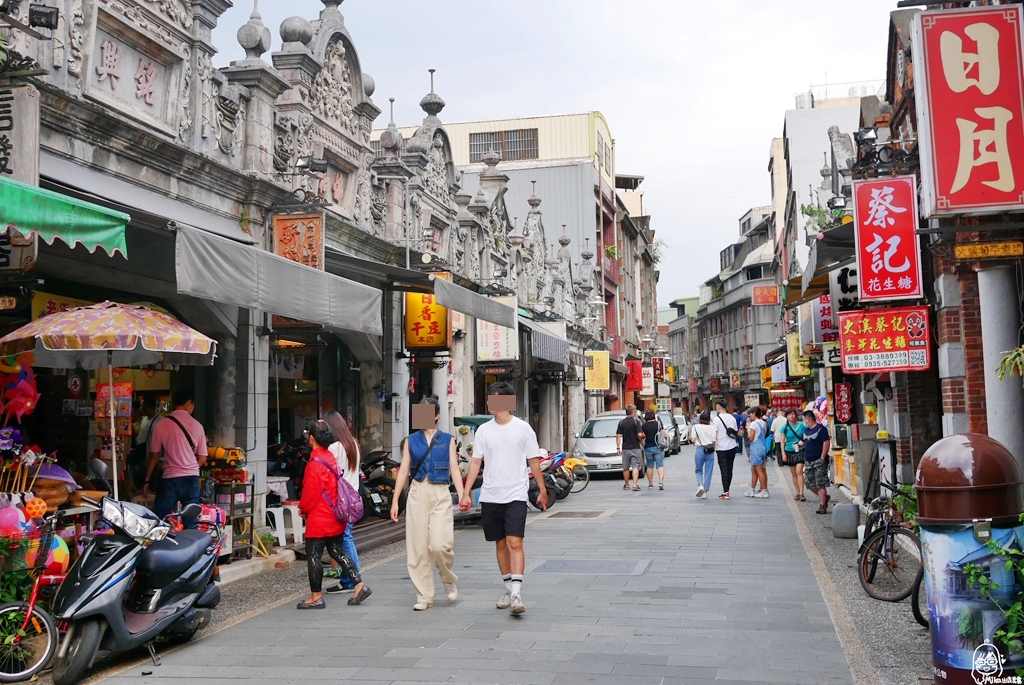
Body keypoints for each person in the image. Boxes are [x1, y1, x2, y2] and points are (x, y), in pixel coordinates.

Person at [460, 382, 547, 616]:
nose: (490, 402)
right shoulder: (484, 431)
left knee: (514, 542)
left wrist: (542, 489)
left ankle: (517, 593)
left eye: (494, 398)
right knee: (500, 543)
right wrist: (466, 492)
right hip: (491, 494)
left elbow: (533, 460)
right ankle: (508, 588)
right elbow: (476, 462)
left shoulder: (523, 429)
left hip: (516, 493)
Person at [390, 398, 466, 611]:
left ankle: (447, 576)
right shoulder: (410, 440)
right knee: (418, 548)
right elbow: (403, 470)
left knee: (440, 545)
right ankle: (424, 596)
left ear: (436, 415)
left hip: (440, 492)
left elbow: (453, 468)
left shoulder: (448, 439)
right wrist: (396, 500)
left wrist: (462, 495)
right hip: (417, 493)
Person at [297, 419, 370, 609]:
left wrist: (303, 509)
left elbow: (310, 493)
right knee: (338, 551)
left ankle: (316, 596)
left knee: (314, 555)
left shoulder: (315, 462)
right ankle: (359, 584)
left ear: (312, 438)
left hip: (319, 517)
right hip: (334, 514)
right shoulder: (330, 457)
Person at [145, 389, 206, 527]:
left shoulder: (161, 425)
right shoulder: (198, 426)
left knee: (158, 518)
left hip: (171, 479)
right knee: (191, 521)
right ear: (189, 403)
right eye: (193, 404)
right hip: (192, 479)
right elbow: (202, 459)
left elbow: (154, 456)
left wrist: (146, 481)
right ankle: (192, 547)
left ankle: (155, 545)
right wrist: (189, 467)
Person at [321, 411, 362, 595]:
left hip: (339, 499)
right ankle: (352, 578)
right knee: (347, 537)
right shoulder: (353, 443)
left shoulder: (334, 448)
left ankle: (352, 580)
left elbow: (328, 475)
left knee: (344, 538)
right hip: (352, 496)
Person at [799, 410, 831, 514]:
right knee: (809, 483)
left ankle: (822, 505)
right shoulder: (805, 430)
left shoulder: (820, 429)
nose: (803, 421)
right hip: (808, 460)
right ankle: (824, 497)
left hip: (819, 459)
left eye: (804, 419)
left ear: (808, 419)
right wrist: (801, 443)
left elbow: (826, 442)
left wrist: (822, 457)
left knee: (820, 483)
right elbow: (805, 441)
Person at [128, 398, 161, 493]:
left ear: (149, 407)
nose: (141, 408)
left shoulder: (160, 421)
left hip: (154, 460)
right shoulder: (144, 421)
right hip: (143, 458)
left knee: (152, 487)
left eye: (143, 405)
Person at [713, 400, 739, 500]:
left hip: (721, 447)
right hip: (732, 446)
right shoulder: (732, 418)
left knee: (723, 470)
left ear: (718, 407)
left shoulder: (716, 419)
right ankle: (727, 490)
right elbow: (735, 432)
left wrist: (713, 446)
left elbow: (715, 434)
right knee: (730, 468)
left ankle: (725, 491)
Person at [615, 404, 645, 492]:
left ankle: (627, 484)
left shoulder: (621, 422)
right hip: (635, 447)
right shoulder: (636, 422)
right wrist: (643, 436)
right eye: (635, 411)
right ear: (633, 412)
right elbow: (640, 435)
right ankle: (635, 485)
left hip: (625, 448)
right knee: (635, 466)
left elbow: (618, 436)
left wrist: (618, 448)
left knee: (626, 467)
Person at [744, 407, 770, 499]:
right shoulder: (763, 423)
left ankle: (764, 490)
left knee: (758, 470)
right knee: (758, 470)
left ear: (754, 413)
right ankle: (753, 489)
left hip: (755, 448)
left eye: (750, 413)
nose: (749, 415)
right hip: (762, 447)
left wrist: (748, 429)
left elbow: (751, 438)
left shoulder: (754, 424)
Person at [781, 409, 806, 501]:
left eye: (793, 414)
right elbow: (782, 441)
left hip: (800, 450)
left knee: (799, 471)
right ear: (786, 416)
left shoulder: (802, 425)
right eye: (789, 415)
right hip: (789, 451)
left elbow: (807, 436)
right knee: (794, 473)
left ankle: (802, 493)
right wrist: (783, 454)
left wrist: (803, 441)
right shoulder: (785, 427)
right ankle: (797, 492)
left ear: (796, 415)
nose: (791, 416)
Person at [691, 412, 716, 499]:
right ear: (709, 420)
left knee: (698, 470)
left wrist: (695, 440)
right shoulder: (712, 428)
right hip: (709, 450)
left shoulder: (695, 427)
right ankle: (705, 492)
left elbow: (693, 440)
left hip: (700, 449)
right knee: (708, 471)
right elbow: (713, 441)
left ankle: (700, 485)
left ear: (700, 419)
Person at [641, 410, 666, 491]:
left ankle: (650, 484)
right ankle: (661, 482)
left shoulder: (643, 426)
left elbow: (641, 437)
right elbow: (664, 434)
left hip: (648, 447)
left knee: (649, 466)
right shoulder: (658, 424)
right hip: (658, 447)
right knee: (660, 465)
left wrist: (644, 445)